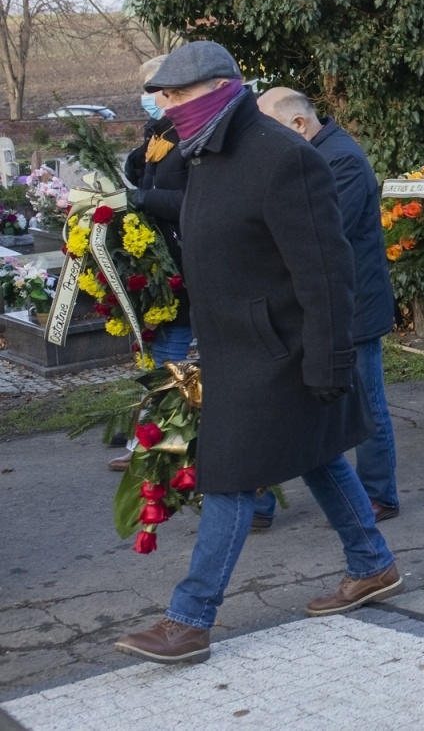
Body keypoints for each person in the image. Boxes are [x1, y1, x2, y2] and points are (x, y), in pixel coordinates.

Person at [114, 43, 399, 665]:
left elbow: (326, 271)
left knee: (232, 477)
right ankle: (373, 563)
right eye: (163, 95)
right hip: (233, 345)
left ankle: (189, 620)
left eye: (177, 95)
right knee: (319, 455)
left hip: (281, 349)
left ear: (220, 88)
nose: (167, 106)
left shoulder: (283, 157)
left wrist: (329, 361)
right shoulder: (207, 153)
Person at [253, 87, 399, 525]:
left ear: (298, 124)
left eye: (268, 127)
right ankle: (258, 501)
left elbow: (322, 232)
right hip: (319, 302)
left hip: (353, 305)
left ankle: (379, 494)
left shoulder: (341, 160)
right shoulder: (304, 156)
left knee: (365, 403)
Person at [111, 55, 192, 472]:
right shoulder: (159, 134)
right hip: (165, 266)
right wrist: (140, 162)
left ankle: (161, 442)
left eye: (154, 90)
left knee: (172, 355)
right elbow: (148, 181)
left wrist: (143, 198)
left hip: (185, 266)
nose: (148, 99)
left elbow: (192, 202)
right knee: (164, 354)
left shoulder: (187, 137)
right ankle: (156, 437)